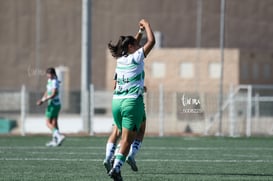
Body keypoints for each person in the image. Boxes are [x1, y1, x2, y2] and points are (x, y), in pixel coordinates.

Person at [105, 19, 155, 181]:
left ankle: (114, 159)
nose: (140, 46)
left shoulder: (120, 60)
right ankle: (116, 168)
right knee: (127, 139)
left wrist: (139, 32)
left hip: (116, 103)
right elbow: (152, 41)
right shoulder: (136, 58)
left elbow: (134, 44)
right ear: (131, 48)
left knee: (129, 133)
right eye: (136, 45)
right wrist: (146, 25)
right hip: (131, 102)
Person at [37, 67, 65, 147]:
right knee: (54, 122)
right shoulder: (51, 81)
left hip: (53, 104)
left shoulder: (54, 82)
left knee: (47, 123)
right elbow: (47, 92)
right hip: (55, 104)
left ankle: (59, 136)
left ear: (52, 74)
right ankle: (55, 140)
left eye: (49, 74)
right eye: (47, 74)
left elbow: (54, 94)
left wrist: (43, 100)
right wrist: (42, 99)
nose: (48, 75)